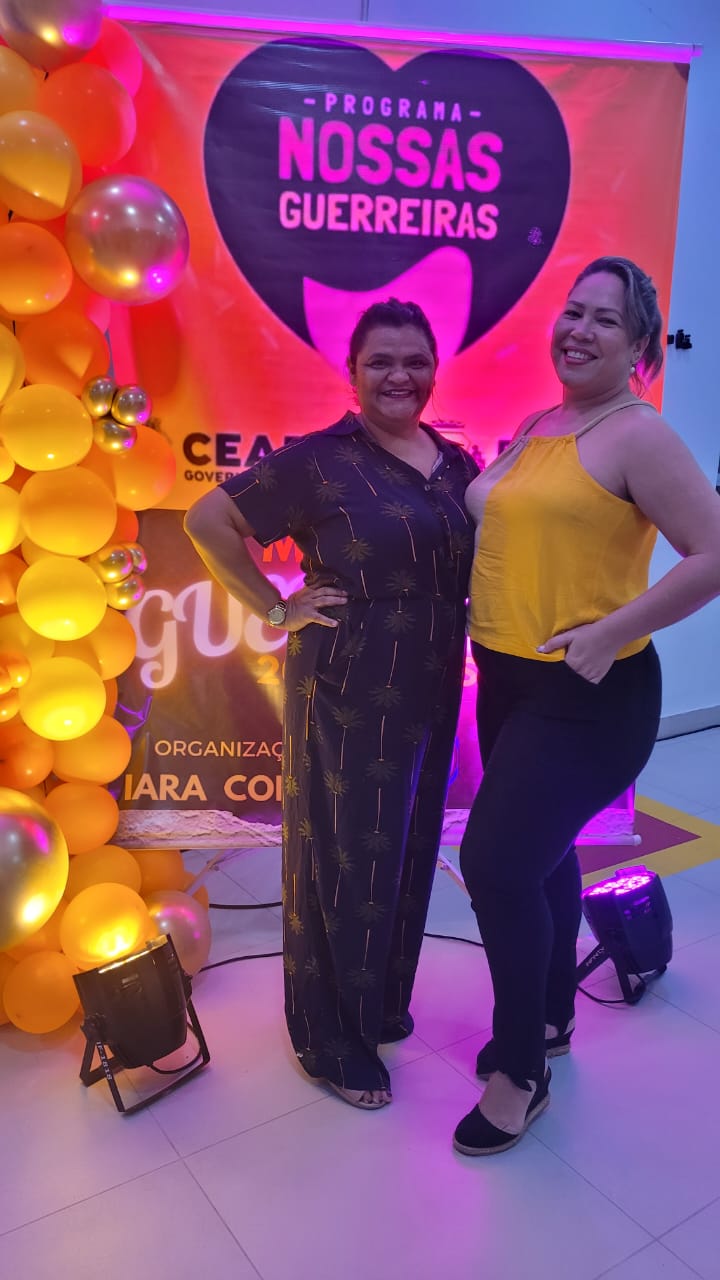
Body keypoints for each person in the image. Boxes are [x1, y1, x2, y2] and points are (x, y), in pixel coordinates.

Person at [454, 256, 720, 1156]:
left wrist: (613, 630)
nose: (579, 330)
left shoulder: (639, 434)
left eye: (606, 319)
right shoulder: (541, 424)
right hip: (509, 678)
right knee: (541, 857)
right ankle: (553, 1016)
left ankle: (520, 1071)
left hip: (592, 692)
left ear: (640, 345)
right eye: (573, 312)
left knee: (495, 866)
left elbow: (712, 553)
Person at [184, 299, 479, 1109]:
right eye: (381, 361)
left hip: (431, 681)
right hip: (349, 680)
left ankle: (378, 1004)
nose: (399, 376)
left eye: (415, 361)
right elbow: (209, 519)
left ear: (434, 370)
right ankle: (331, 1039)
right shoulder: (320, 461)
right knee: (349, 854)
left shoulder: (455, 465)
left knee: (409, 844)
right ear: (352, 373)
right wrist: (276, 609)